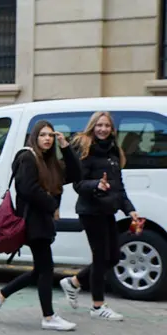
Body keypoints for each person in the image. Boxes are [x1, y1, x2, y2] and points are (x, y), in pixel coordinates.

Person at [0, 121, 82, 330]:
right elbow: (27, 188)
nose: (47, 139)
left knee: (40, 270)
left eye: (50, 135)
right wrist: (51, 205)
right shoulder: (27, 158)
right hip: (32, 222)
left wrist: (65, 147)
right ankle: (48, 317)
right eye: (43, 135)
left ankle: (0, 295)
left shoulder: (49, 162)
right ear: (34, 137)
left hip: (42, 222)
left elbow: (76, 174)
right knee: (46, 269)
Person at [57, 111, 134, 321]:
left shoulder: (114, 151)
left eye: (106, 126)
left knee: (114, 257)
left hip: (108, 210)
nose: (103, 129)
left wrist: (130, 209)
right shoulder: (86, 149)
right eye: (99, 125)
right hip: (90, 211)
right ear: (93, 127)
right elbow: (78, 183)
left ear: (112, 129)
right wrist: (96, 185)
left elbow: (119, 186)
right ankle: (98, 306)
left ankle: (73, 282)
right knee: (100, 257)